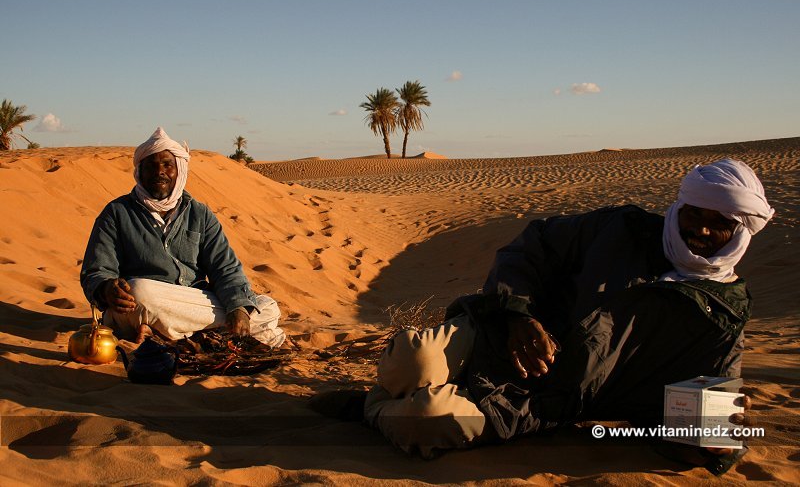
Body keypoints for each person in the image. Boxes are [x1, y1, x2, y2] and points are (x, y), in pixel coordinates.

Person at [362, 158, 773, 473]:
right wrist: (519, 316)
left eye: (720, 223)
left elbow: (704, 404)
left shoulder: (723, 308)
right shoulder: (621, 228)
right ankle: (390, 392)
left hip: (543, 400)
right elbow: (529, 249)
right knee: (409, 360)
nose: (700, 229)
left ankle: (369, 409)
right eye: (694, 214)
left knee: (425, 420)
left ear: (740, 231)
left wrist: (718, 443)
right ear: (680, 207)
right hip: (499, 330)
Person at [80, 127, 285, 347]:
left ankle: (171, 337)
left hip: (190, 302)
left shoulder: (199, 213)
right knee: (141, 290)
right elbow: (96, 271)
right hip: (136, 307)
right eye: (151, 165)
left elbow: (224, 268)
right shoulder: (117, 212)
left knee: (265, 305)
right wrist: (105, 289)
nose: (159, 171)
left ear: (180, 170)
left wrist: (237, 307)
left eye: (167, 164)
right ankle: (215, 336)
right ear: (140, 172)